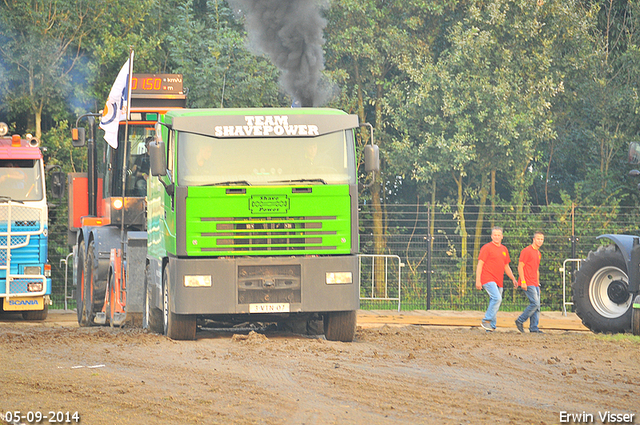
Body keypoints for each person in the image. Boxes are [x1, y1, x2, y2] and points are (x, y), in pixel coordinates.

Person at [475, 226, 518, 331]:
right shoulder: (486, 248)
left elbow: (506, 266)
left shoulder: (504, 249)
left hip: (499, 280)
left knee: (494, 301)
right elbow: (480, 264)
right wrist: (478, 280)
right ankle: (486, 320)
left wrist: (513, 278)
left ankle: (491, 327)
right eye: (495, 235)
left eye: (498, 235)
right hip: (487, 278)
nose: (497, 237)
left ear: (502, 236)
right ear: (491, 236)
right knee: (497, 298)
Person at [515, 231, 545, 333]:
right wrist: (523, 281)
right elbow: (520, 266)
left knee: (537, 306)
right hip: (527, 281)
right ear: (533, 239)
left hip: (534, 282)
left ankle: (534, 328)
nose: (540, 241)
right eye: (538, 239)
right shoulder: (527, 251)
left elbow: (536, 269)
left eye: (541, 239)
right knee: (535, 303)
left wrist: (538, 284)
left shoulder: (538, 253)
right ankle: (520, 320)